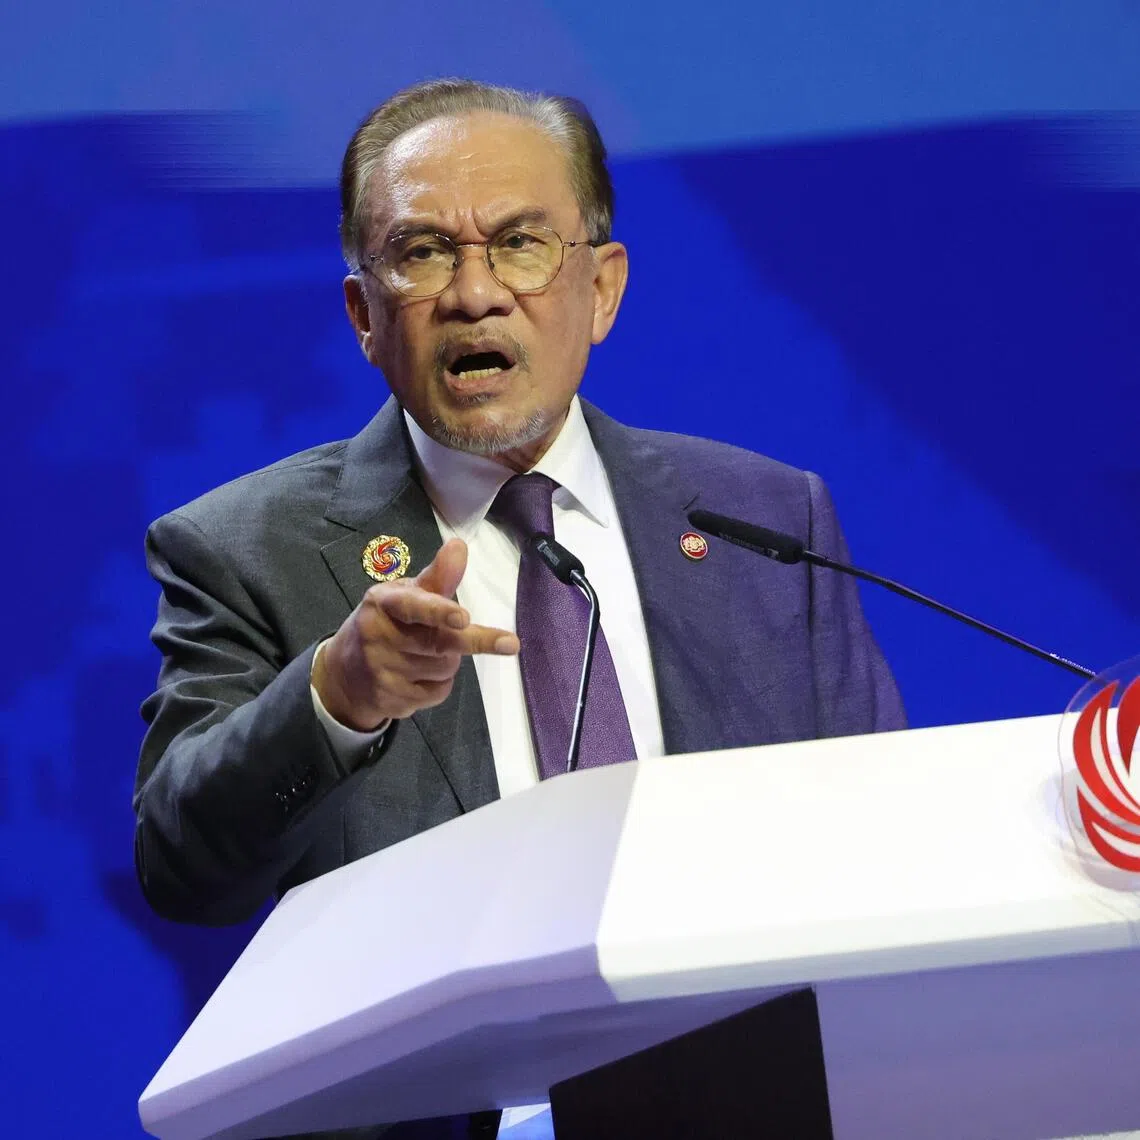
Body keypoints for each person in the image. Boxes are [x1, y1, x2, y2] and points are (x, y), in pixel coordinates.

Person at [134, 79, 905, 1139]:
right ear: (364, 313)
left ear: (601, 288)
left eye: (521, 244)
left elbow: (881, 841)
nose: (474, 294)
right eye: (423, 254)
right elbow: (185, 865)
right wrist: (336, 698)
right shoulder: (243, 548)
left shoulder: (766, 519)